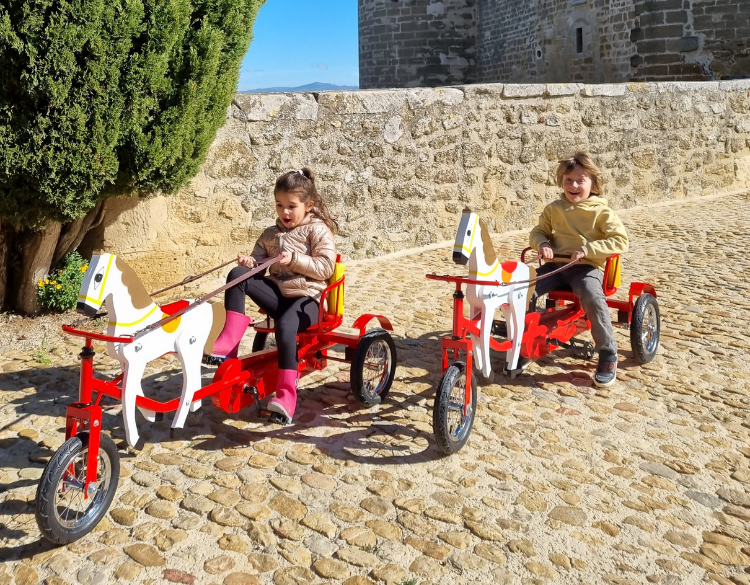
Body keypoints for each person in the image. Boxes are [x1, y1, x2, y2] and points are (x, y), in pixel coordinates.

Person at [207, 168, 337, 422]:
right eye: (279, 205)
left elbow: (326, 267)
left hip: (307, 299)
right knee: (237, 275)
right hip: (279, 295)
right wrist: (250, 263)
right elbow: (258, 261)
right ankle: (228, 346)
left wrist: (295, 260)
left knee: (286, 326)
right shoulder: (270, 233)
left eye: (291, 206)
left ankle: (286, 396)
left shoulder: (318, 231)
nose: (284, 212)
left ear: (308, 205)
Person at [529, 151, 628, 387]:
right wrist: (542, 243)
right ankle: (525, 340)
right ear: (561, 183)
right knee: (522, 288)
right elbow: (538, 231)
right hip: (555, 266)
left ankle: (607, 353)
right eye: (568, 180)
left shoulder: (602, 212)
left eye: (580, 180)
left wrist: (588, 249)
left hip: (585, 268)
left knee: (593, 297)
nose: (573, 185)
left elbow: (620, 240)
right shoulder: (554, 209)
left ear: (593, 183)